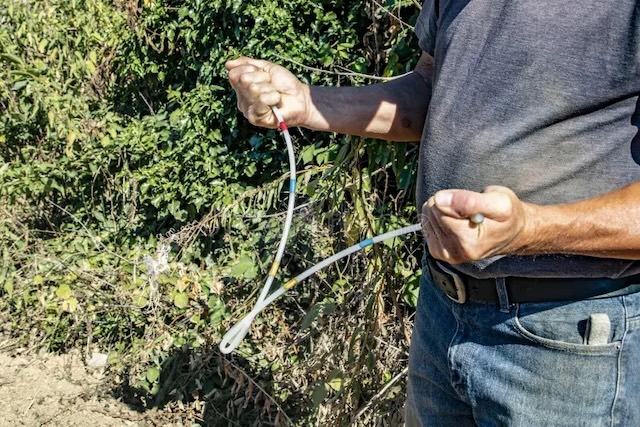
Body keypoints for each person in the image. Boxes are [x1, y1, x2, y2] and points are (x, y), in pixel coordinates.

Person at [226, 0, 640, 424]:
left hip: (568, 339)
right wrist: (310, 104)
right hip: (443, 311)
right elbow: (432, 87)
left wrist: (530, 229)